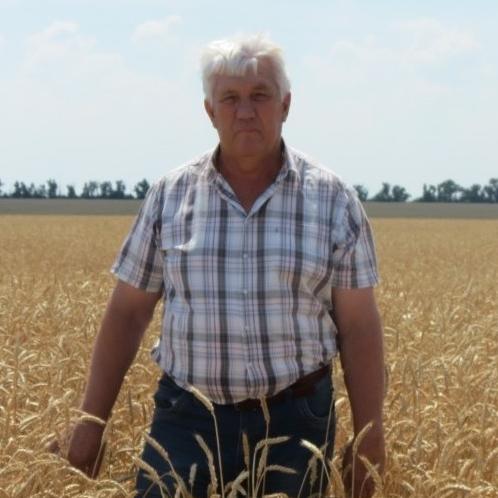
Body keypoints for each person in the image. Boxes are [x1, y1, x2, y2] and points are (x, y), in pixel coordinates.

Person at [52, 34, 386, 498]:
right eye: (230, 98)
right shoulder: (170, 195)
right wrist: (91, 421)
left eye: (260, 95)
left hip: (297, 424)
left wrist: (370, 437)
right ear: (210, 111)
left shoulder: (333, 200)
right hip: (185, 420)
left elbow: (359, 326)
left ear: (286, 105)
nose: (245, 111)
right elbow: (128, 313)